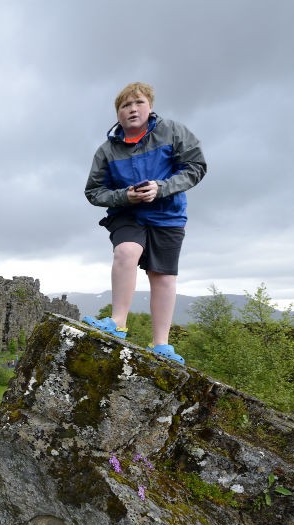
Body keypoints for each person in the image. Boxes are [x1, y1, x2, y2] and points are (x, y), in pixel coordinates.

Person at [82, 82, 206, 364]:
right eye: (125, 106)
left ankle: (160, 344)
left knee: (162, 276)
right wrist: (124, 196)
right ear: (118, 114)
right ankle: (117, 323)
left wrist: (161, 188)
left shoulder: (173, 131)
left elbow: (196, 166)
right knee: (126, 251)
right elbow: (93, 192)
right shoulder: (106, 151)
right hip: (128, 213)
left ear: (150, 107)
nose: (132, 109)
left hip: (168, 214)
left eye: (138, 103)